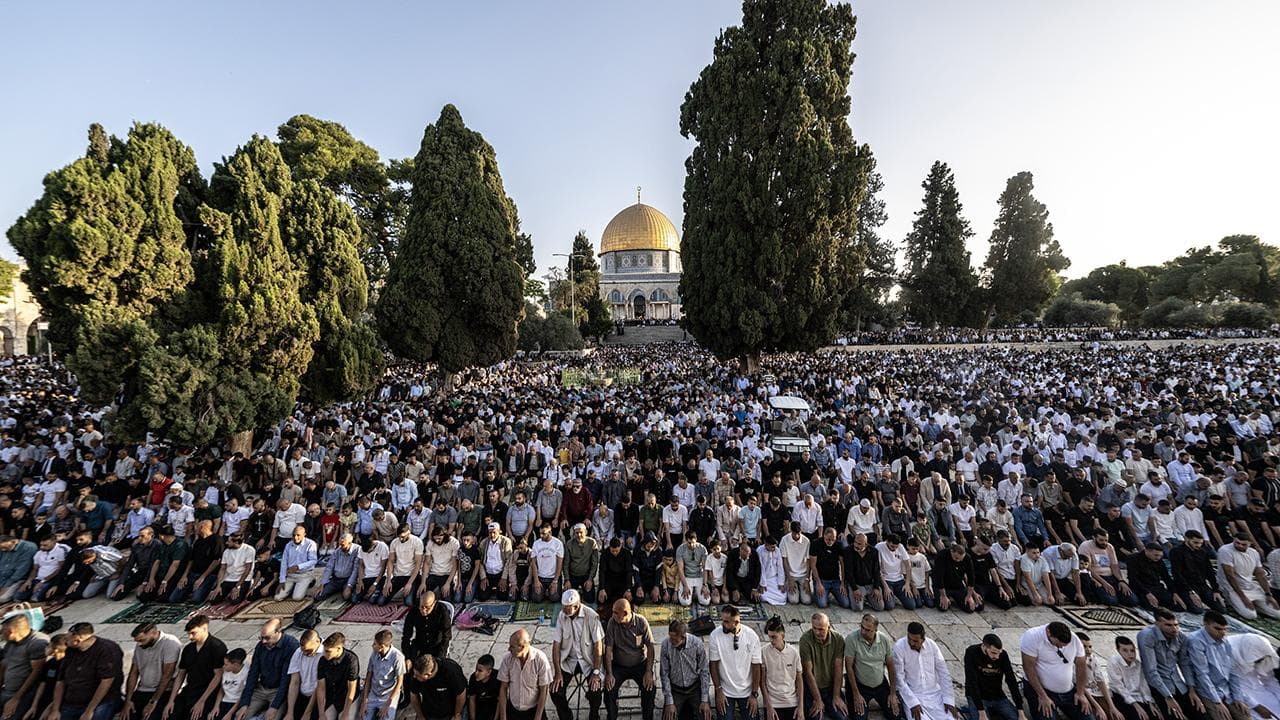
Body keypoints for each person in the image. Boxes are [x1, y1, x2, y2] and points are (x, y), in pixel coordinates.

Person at [47, 622, 123, 720]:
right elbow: (61, 681)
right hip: (72, 701)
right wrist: (55, 709)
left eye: (67, 639)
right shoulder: (70, 650)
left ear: (77, 639)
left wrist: (89, 710)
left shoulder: (107, 649)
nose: (65, 642)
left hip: (101, 701)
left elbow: (106, 682)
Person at [549, 589, 605, 720]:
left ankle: (594, 716)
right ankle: (566, 716)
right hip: (569, 661)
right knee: (555, 691)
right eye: (564, 608)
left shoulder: (591, 616)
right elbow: (556, 645)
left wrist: (596, 672)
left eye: (569, 608)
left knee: (595, 690)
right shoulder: (562, 616)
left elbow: (598, 645)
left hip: (588, 661)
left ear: (577, 605)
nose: (566, 611)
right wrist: (557, 672)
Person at [1020, 621, 1094, 720]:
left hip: (1068, 691)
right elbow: (1029, 668)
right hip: (1042, 690)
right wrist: (1042, 696)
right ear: (1049, 633)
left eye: (1064, 645)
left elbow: (1081, 666)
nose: (1061, 647)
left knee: (1088, 717)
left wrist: (1080, 693)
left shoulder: (1074, 640)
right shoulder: (1032, 637)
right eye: (1058, 644)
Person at [232, 618, 301, 720]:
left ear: (278, 632)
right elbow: (253, 674)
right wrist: (244, 704)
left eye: (267, 638)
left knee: (272, 717)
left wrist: (274, 706)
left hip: (279, 690)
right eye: (261, 638)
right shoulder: (260, 647)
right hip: (262, 688)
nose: (264, 641)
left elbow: (286, 680)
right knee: (240, 716)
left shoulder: (291, 646)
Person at [1182, 611, 1245, 720]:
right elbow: (1202, 674)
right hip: (1207, 691)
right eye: (1218, 629)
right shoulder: (1196, 641)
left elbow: (1233, 671)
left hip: (1226, 690)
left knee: (1245, 716)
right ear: (1205, 624)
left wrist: (1238, 697)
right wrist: (1217, 702)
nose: (1223, 633)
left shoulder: (1224, 642)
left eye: (1225, 629)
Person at [1137, 608, 1196, 720]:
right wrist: (1168, 697)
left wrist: (1191, 689)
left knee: (1200, 712)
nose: (1174, 629)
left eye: (1176, 625)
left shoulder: (1181, 636)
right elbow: (1151, 671)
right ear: (1157, 624)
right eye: (1168, 625)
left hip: (1178, 684)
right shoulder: (1147, 636)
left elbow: (1184, 663)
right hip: (1158, 686)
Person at [894, 622, 959, 720]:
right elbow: (899, 678)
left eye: (915, 641)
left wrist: (949, 700)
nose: (912, 643)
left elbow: (943, 673)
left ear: (923, 639)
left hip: (935, 695)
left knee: (952, 718)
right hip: (913, 695)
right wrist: (912, 702)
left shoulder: (932, 645)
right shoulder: (899, 647)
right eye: (909, 639)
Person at [708, 604, 763, 720]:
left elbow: (756, 667)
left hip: (747, 691)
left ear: (737, 622)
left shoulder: (752, 636)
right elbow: (713, 665)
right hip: (725, 691)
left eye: (727, 621)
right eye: (722, 620)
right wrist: (718, 691)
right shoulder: (715, 636)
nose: (723, 623)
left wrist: (754, 694)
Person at [602, 599, 654, 720]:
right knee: (609, 689)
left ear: (624, 613)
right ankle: (612, 716)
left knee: (650, 687)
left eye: (615, 612)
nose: (612, 615)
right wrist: (609, 673)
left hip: (639, 663)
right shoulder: (612, 623)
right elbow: (608, 649)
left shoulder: (641, 622)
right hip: (619, 665)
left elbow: (650, 647)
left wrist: (649, 671)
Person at [844, 613, 902, 720]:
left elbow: (890, 666)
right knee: (859, 717)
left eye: (867, 630)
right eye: (862, 627)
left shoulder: (884, 640)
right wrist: (856, 694)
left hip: (880, 684)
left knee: (896, 714)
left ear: (875, 629)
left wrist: (893, 693)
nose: (863, 631)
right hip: (860, 685)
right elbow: (849, 667)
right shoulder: (851, 639)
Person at [121, 623, 179, 720]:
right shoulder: (140, 646)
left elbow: (167, 676)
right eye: (137, 641)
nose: (139, 644)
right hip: (142, 690)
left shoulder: (169, 643)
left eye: (142, 640)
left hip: (163, 692)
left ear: (153, 633)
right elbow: (133, 673)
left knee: (150, 716)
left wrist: (153, 702)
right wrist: (128, 700)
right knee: (126, 715)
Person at [1218, 533, 1280, 620]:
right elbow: (1230, 576)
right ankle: (1232, 601)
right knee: (1251, 615)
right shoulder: (1225, 550)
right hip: (1232, 588)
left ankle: (1254, 605)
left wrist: (1268, 594)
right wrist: (1243, 597)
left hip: (1250, 587)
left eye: (1243, 544)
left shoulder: (1254, 553)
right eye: (1237, 542)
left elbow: (1260, 575)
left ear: (1250, 543)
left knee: (1278, 614)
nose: (1239, 545)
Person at [660, 619, 712, 720]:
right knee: (668, 716)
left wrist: (705, 700)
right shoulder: (666, 644)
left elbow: (704, 671)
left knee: (706, 715)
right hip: (676, 689)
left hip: (695, 688)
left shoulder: (697, 644)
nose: (671, 641)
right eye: (670, 637)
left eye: (674, 639)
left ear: (683, 637)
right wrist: (669, 701)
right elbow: (664, 674)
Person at [497, 628, 553, 720]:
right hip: (513, 709)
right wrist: (503, 716)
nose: (509, 649)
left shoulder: (540, 659)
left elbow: (544, 690)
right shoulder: (507, 659)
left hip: (533, 709)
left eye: (512, 646)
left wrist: (538, 717)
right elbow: (503, 688)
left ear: (522, 647)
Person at [800, 612, 847, 720]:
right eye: (814, 628)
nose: (817, 632)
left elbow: (838, 669)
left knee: (841, 717)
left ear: (828, 627)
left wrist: (836, 696)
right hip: (812, 687)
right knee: (815, 717)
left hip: (830, 687)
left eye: (821, 629)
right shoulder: (805, 640)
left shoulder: (838, 639)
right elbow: (808, 672)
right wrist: (817, 699)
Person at [963, 634, 1022, 720]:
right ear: (984, 646)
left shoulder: (1002, 655)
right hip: (978, 696)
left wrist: (1020, 711)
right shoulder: (972, 652)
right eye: (993, 653)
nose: (997, 657)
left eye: (999, 653)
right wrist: (981, 712)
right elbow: (972, 682)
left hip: (997, 696)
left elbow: (1011, 680)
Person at [0, 613, 48, 720]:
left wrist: (16, 698)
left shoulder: (37, 643)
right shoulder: (10, 643)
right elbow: (3, 665)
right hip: (7, 690)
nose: (1, 634)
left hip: (24, 693)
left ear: (12, 632)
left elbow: (36, 673)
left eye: (3, 631)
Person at [1226, 632, 1280, 720]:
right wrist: (1256, 706)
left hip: (1258, 688)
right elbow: (1230, 685)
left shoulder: (1262, 653)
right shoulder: (1230, 654)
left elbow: (1269, 679)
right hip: (1239, 692)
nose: (1260, 661)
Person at [1106, 636, 1159, 720]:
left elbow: (1143, 685)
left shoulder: (1138, 664)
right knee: (1138, 716)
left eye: (1132, 650)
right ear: (1118, 650)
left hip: (1138, 697)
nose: (1130, 654)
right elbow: (1119, 687)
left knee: (1155, 716)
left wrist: (1150, 703)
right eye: (1125, 650)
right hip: (1121, 697)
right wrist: (1136, 706)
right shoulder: (1113, 662)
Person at [762, 616, 804, 720]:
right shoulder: (764, 652)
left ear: (783, 635)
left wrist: (800, 707)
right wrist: (768, 706)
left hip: (791, 700)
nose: (771, 640)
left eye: (774, 637)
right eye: (769, 636)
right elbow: (762, 681)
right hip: (773, 701)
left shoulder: (793, 652)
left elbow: (799, 680)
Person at [357, 630, 405, 720]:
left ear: (381, 647)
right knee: (362, 717)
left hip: (388, 695)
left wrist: (388, 705)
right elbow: (368, 677)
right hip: (374, 693)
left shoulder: (398, 657)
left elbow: (399, 682)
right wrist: (365, 701)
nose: (372, 646)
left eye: (374, 644)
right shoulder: (374, 654)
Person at [406, 654, 467, 720]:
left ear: (428, 675)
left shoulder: (451, 671)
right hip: (429, 713)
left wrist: (457, 714)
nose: (414, 676)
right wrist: (420, 716)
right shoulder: (417, 673)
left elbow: (461, 694)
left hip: (449, 713)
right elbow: (414, 696)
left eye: (418, 675)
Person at [314, 632, 360, 720]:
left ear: (339, 649)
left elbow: (351, 689)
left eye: (328, 651)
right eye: (324, 650)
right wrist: (321, 713)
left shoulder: (351, 660)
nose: (324, 654)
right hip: (332, 696)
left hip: (347, 697)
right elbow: (321, 688)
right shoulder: (323, 661)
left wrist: (346, 713)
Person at [403, 590, 452, 662]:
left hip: (436, 645)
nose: (424, 610)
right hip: (420, 644)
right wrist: (407, 657)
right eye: (421, 607)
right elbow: (406, 635)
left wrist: (440, 657)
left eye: (427, 607)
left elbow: (446, 636)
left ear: (434, 603)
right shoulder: (414, 610)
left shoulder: (442, 611)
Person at [285, 629, 323, 720]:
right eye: (304, 651)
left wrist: (307, 712)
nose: (306, 654)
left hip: (318, 696)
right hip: (303, 694)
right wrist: (290, 712)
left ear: (317, 642)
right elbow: (294, 682)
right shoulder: (299, 652)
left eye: (308, 651)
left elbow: (320, 685)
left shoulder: (324, 654)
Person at [278, 524, 320, 601]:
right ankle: (293, 588)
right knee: (278, 597)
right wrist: (282, 580)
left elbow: (313, 561)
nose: (295, 537)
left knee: (297, 598)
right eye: (293, 535)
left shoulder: (310, 544)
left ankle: (310, 580)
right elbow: (284, 562)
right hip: (291, 575)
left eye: (298, 535)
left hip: (304, 574)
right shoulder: (288, 545)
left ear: (304, 535)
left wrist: (298, 567)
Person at [468, 654, 501, 720]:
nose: (476, 673)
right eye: (476, 669)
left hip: (493, 707)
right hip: (480, 706)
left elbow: (500, 700)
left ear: (488, 672)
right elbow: (472, 699)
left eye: (480, 671)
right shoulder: (473, 678)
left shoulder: (497, 678)